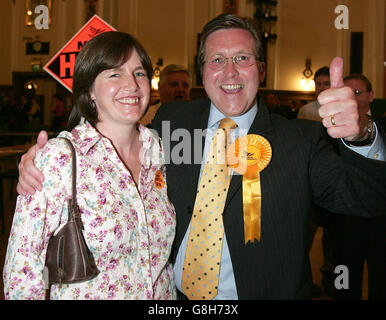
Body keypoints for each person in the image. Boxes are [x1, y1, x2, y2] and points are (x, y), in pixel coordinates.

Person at [15, 14, 386, 300]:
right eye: (216, 60)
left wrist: (361, 134)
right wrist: (41, 160)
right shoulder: (169, 125)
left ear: (261, 68)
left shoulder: (301, 140)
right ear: (202, 71)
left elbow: (369, 198)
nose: (229, 72)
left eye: (242, 58)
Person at [3, 31, 176, 300]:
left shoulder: (159, 150)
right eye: (115, 74)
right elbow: (22, 271)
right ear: (90, 90)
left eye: (139, 73)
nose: (132, 84)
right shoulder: (60, 157)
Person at [334, 73, 386, 300]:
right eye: (348, 92)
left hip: (382, 219)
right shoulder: (330, 128)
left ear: (371, 95)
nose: (352, 98)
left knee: (381, 276)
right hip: (345, 219)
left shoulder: (383, 125)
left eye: (358, 92)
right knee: (343, 274)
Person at [297, 66, 338, 297]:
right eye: (318, 84)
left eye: (326, 84)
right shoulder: (305, 111)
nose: (321, 88)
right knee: (304, 236)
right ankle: (305, 282)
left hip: (330, 180)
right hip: (310, 183)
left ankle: (331, 281)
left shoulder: (343, 112)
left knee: (333, 241)